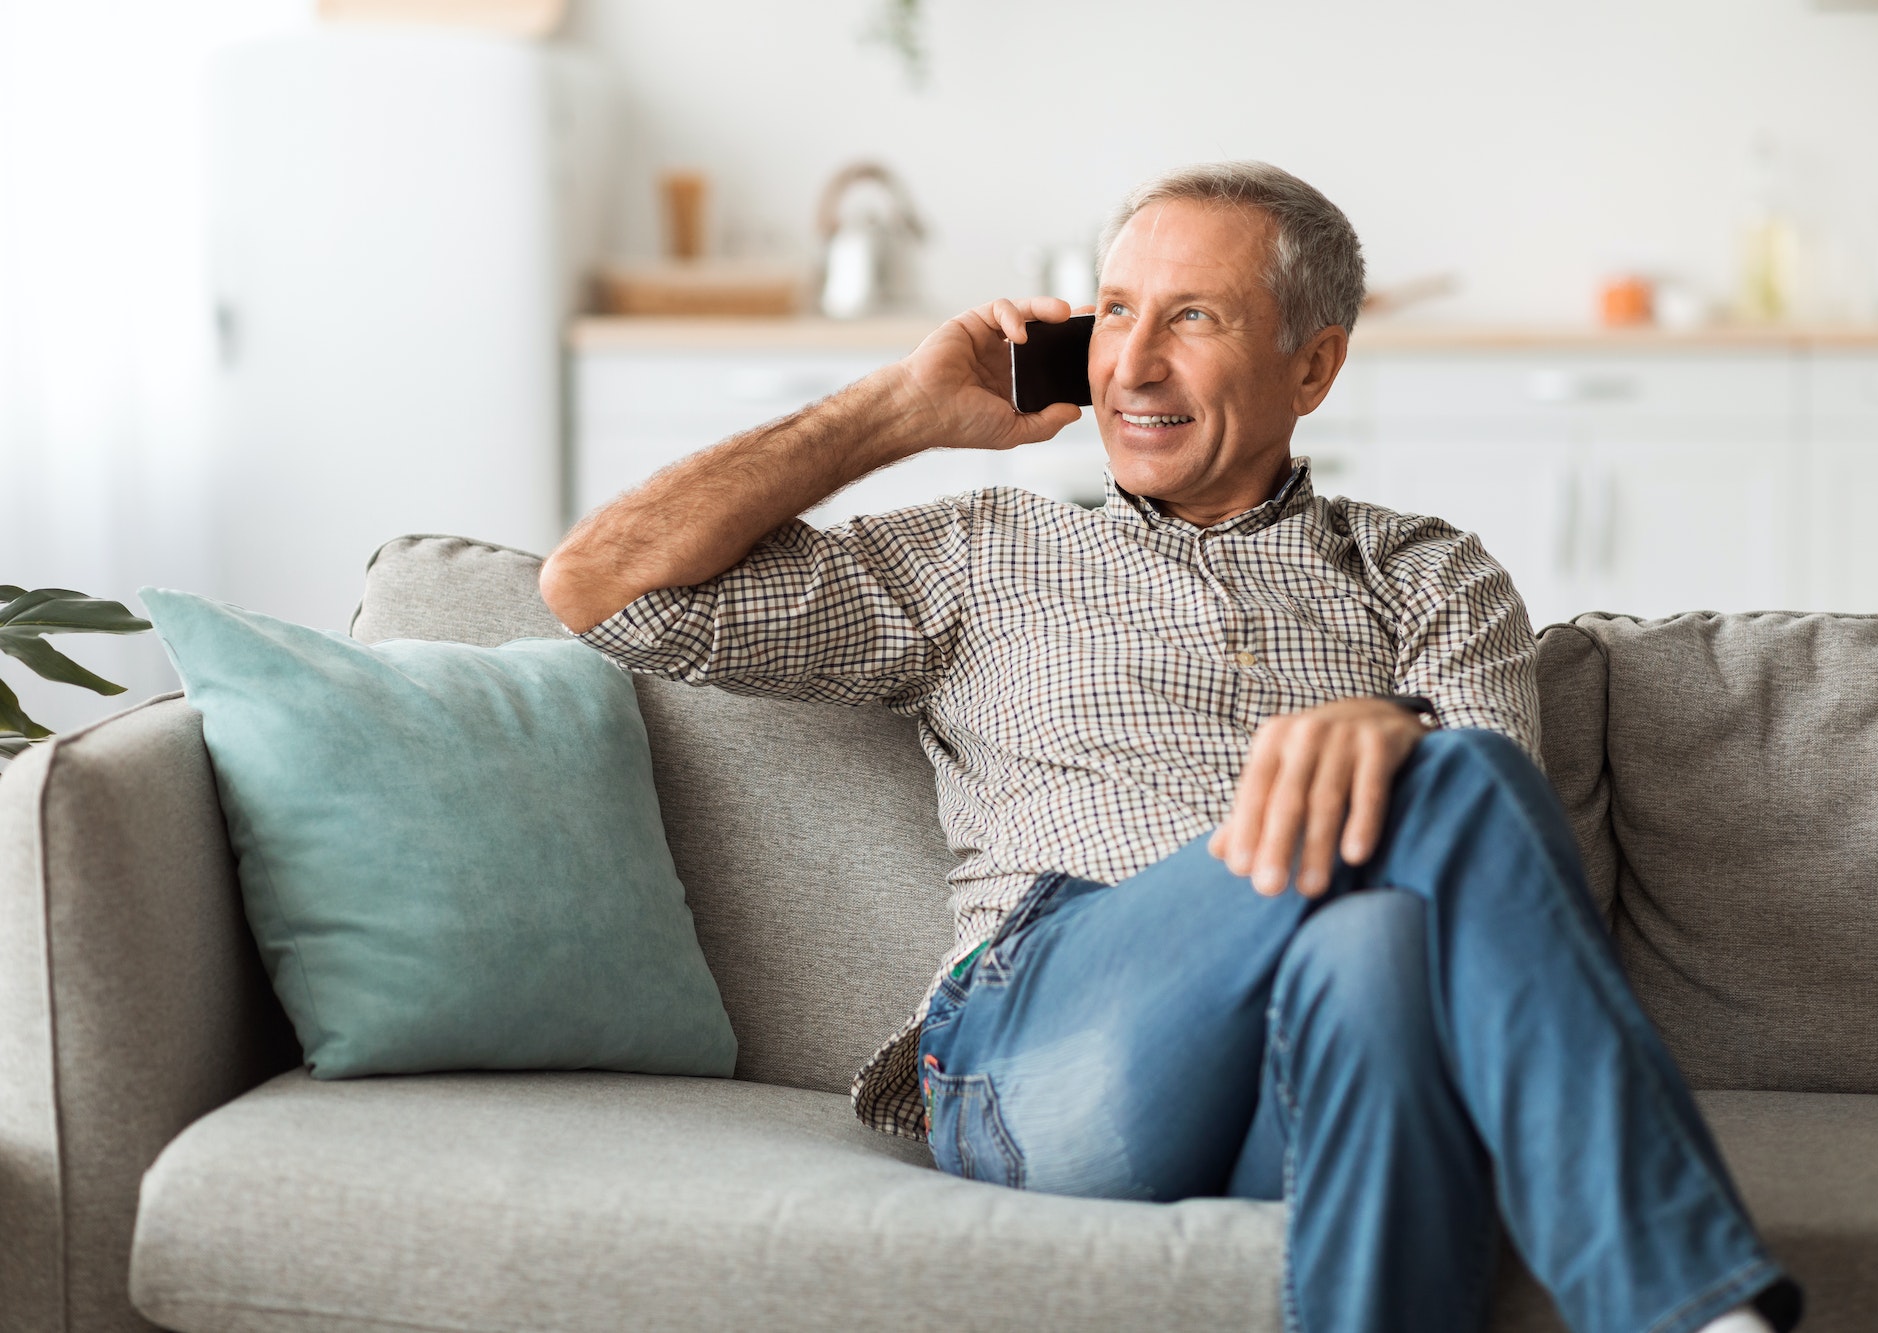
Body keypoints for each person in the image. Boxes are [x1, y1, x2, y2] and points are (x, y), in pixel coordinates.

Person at [538, 162, 1803, 1333]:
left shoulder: (1424, 574)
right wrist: (899, 408)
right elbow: (602, 585)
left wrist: (1392, 736)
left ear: (1312, 369)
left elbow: (1490, 865)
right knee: (1443, 774)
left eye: (1192, 318)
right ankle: (1686, 1307)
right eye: (1113, 312)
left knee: (1383, 941)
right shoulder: (986, 553)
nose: (1130, 365)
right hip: (1047, 1050)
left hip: (1301, 1064)